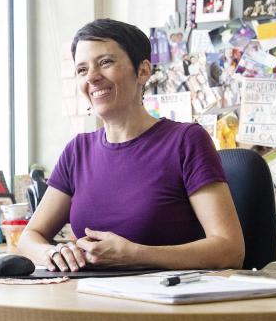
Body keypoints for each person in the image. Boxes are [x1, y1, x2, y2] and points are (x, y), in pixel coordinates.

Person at [18, 19, 244, 272]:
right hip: (87, 298)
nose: (92, 77)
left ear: (143, 71)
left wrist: (135, 254)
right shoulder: (77, 151)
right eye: (82, 69)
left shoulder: (186, 141)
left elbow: (229, 250)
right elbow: (29, 237)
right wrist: (53, 252)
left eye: (105, 62)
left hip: (162, 302)